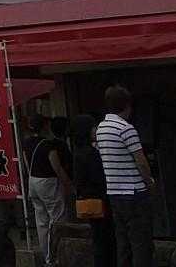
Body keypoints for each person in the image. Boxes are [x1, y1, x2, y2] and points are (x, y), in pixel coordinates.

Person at [96, 85, 157, 267]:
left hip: (114, 192)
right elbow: (141, 161)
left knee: (123, 241)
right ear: (128, 105)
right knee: (141, 242)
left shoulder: (101, 128)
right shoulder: (126, 129)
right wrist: (150, 182)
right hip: (134, 192)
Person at [26, 115, 72, 267]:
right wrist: (68, 184)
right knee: (58, 218)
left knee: (41, 222)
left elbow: (27, 165)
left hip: (33, 181)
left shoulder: (27, 143)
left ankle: (47, 257)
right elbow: (57, 167)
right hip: (48, 182)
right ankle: (55, 256)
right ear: (45, 126)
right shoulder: (48, 145)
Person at [70, 113, 115, 267]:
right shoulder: (90, 153)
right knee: (105, 240)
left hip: (89, 201)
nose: (96, 130)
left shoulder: (78, 151)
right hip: (100, 201)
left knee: (99, 239)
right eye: (93, 128)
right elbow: (99, 178)